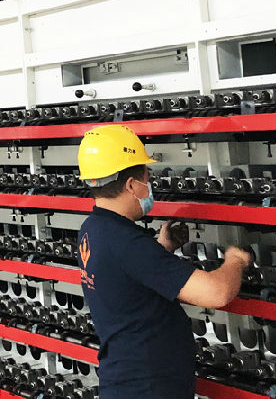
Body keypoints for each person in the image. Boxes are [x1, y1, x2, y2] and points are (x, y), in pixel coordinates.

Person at [76, 124, 253, 399]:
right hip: (147, 389)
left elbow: (126, 279)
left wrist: (162, 249)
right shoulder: (129, 244)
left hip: (125, 381)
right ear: (131, 185)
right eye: (147, 177)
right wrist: (235, 260)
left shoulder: (92, 229)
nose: (150, 185)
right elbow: (217, 292)